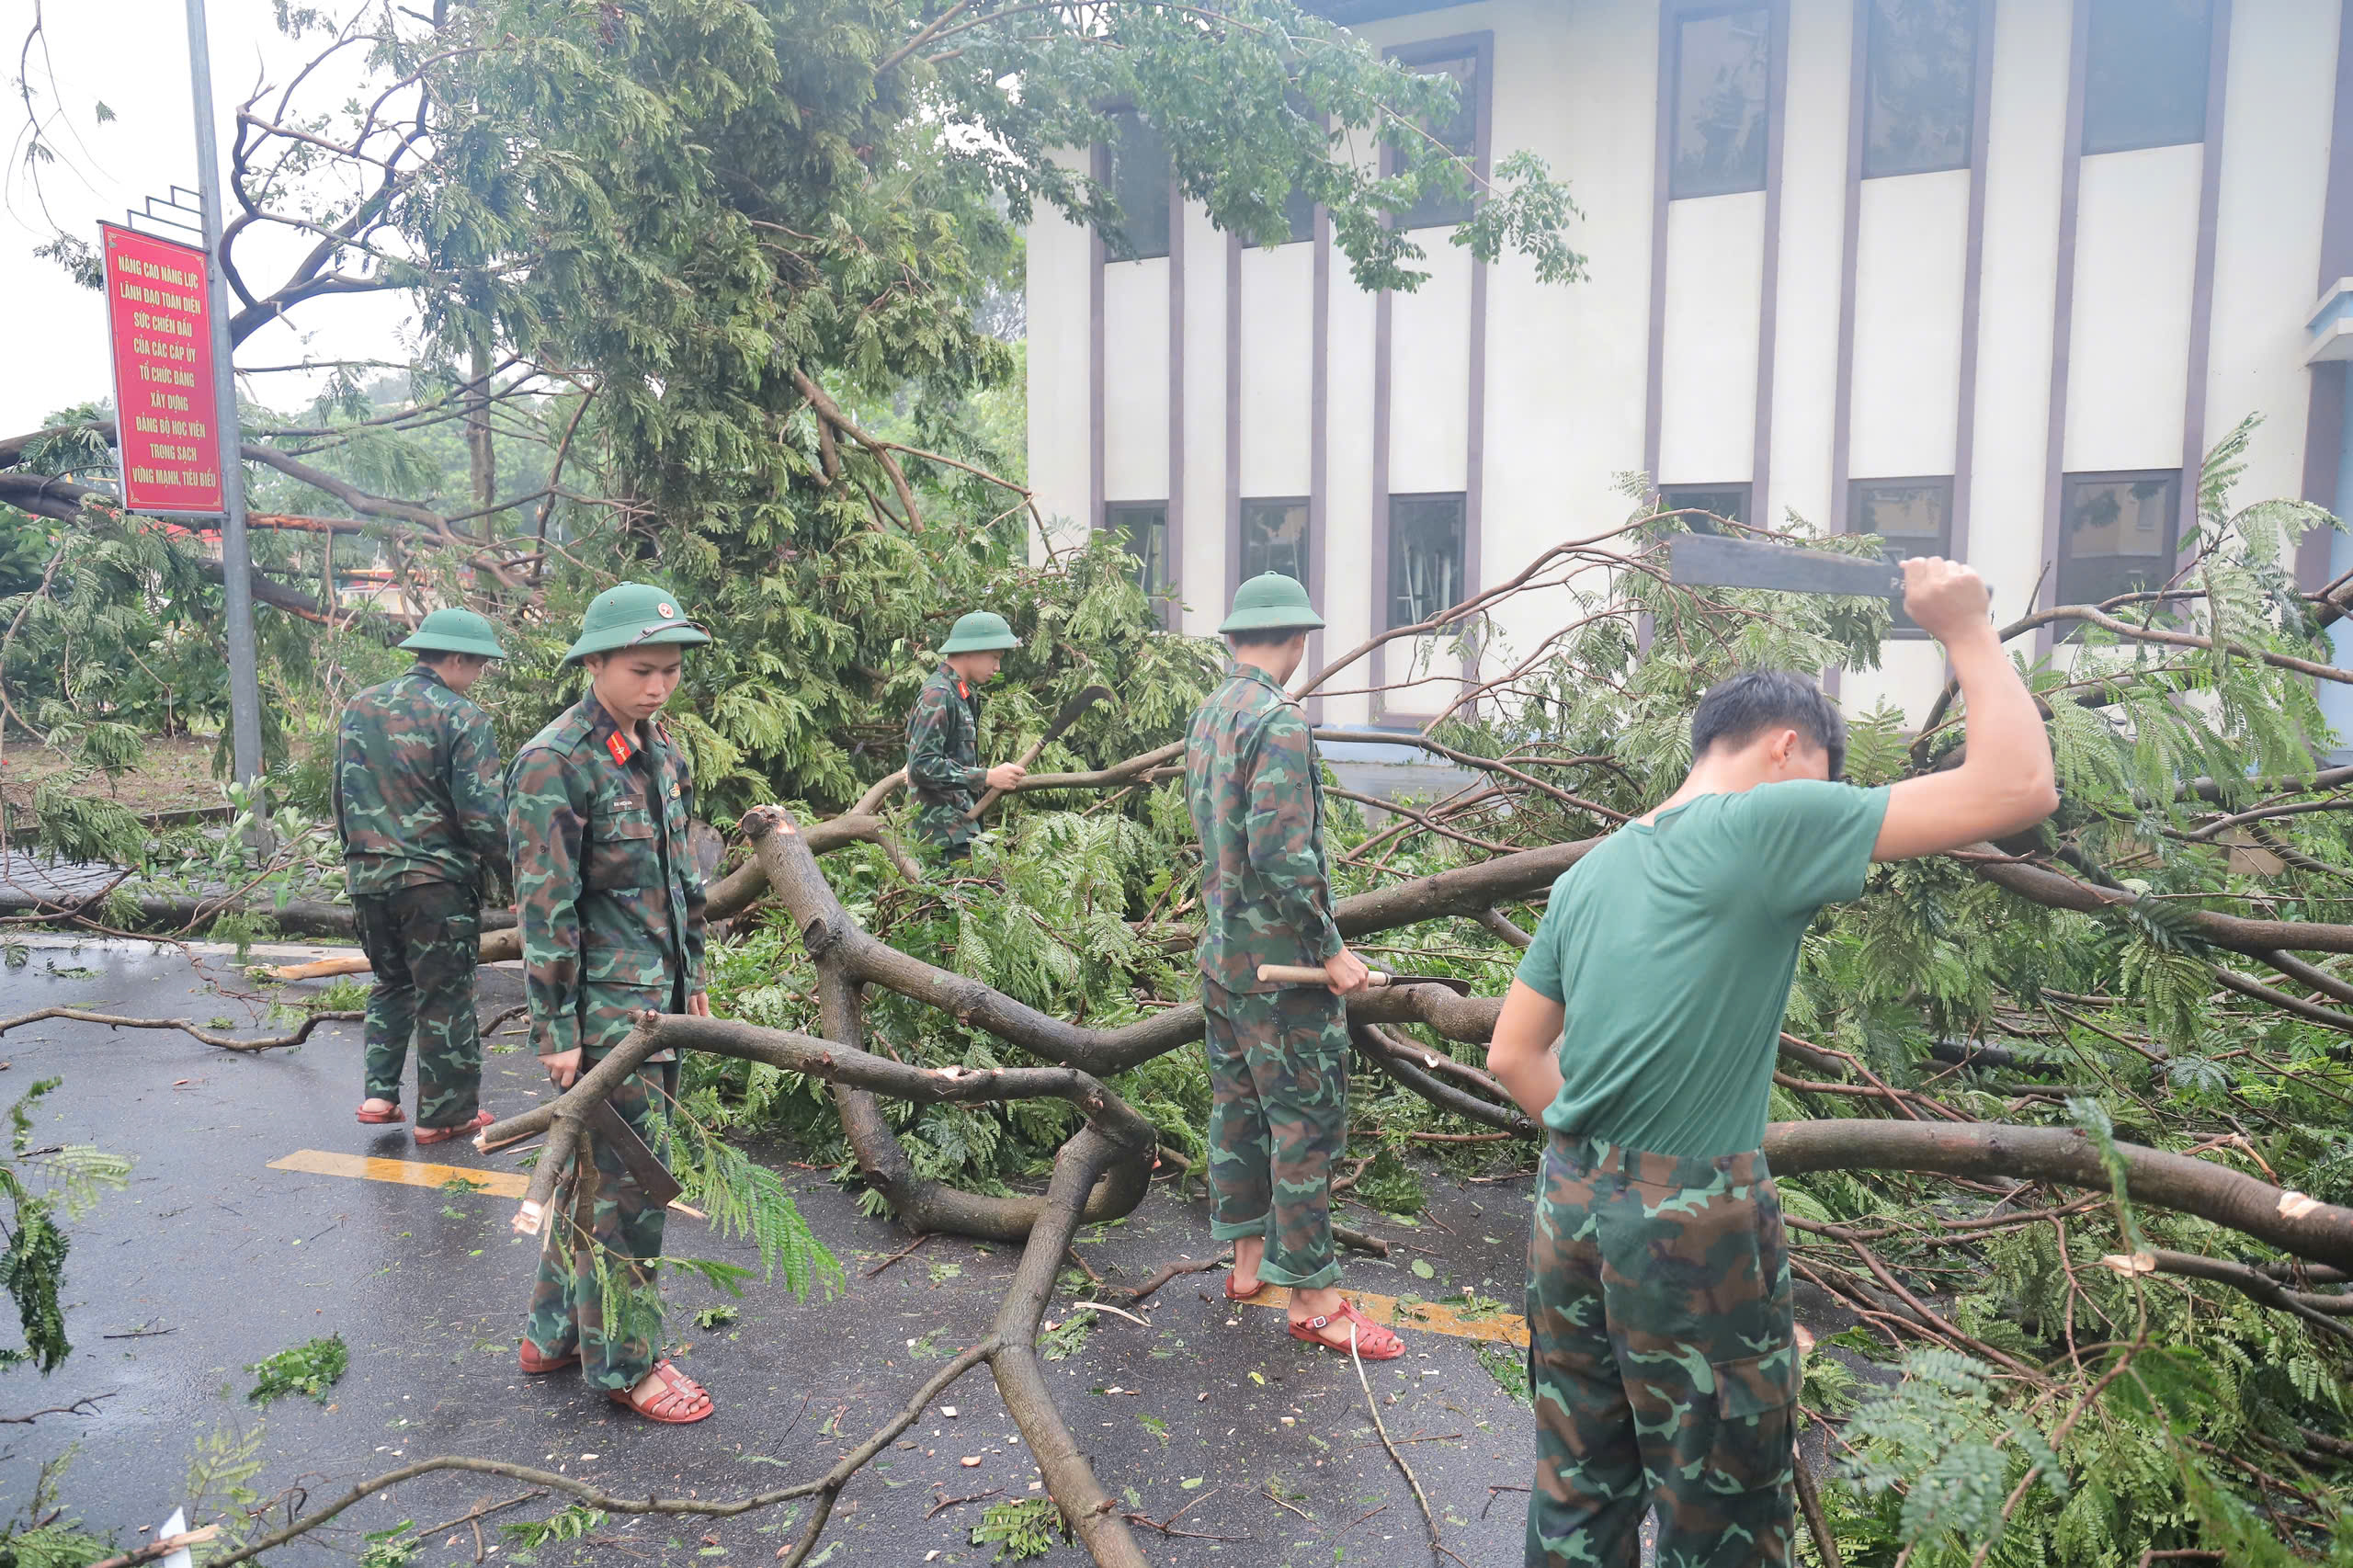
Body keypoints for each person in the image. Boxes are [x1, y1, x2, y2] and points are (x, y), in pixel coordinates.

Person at [1485, 559, 2058, 1567]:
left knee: (1578, 1499)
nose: (1834, 812)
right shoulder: (1763, 822)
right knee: (1722, 1521)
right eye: (1831, 783)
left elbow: (1511, 1054)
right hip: (1693, 1221)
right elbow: (2018, 788)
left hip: (1567, 1202)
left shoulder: (1593, 868)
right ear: (1788, 748)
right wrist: (1966, 626)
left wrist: (1611, 1173)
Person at [509, 582, 715, 1425]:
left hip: (656, 1006)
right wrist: (556, 1029)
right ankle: (629, 1365)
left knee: (598, 1184)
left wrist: (692, 975)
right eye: (641, 669)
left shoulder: (661, 754)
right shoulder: (555, 762)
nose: (659, 686)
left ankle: (554, 1332)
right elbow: (544, 908)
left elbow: (681, 881)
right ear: (593, 661)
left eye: (670, 670)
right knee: (631, 1195)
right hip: (601, 1020)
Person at [1183, 572, 1401, 1360]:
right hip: (1283, 972)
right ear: (1299, 640)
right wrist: (1333, 952)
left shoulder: (1211, 714)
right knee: (1304, 1123)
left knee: (1238, 1111)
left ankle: (1248, 1267)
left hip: (1223, 958)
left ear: (1237, 636)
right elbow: (1283, 854)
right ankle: (1313, 1301)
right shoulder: (1277, 721)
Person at [335, 606, 512, 1144]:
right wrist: (521, 878)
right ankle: (445, 1115)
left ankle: (379, 1096)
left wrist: (357, 858)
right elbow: (483, 816)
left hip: (367, 878)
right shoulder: (462, 717)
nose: (479, 675)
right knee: (446, 993)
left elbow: (341, 797)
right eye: (478, 665)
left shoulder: (358, 706)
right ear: (456, 659)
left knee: (391, 982)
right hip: (434, 882)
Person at [905, 610, 1029, 857]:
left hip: (958, 832)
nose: (998, 667)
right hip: (940, 841)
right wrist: (987, 776)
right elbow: (921, 765)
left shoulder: (958, 693)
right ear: (973, 649)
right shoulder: (939, 694)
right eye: (994, 657)